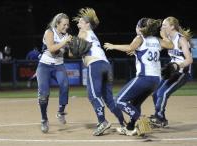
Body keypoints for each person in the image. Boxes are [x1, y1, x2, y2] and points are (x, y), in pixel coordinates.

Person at [104, 18, 174, 136]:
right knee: (135, 104)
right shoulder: (157, 40)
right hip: (156, 80)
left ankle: (141, 119)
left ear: (140, 28)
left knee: (119, 100)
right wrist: (164, 36)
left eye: (137, 26)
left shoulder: (140, 38)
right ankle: (130, 128)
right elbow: (171, 45)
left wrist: (113, 46)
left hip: (144, 77)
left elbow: (130, 47)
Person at [73, 7, 125, 136]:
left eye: (80, 22)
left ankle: (102, 121)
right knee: (109, 99)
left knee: (93, 95)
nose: (78, 24)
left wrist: (70, 45)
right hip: (106, 65)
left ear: (87, 24)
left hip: (95, 65)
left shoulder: (83, 32)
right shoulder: (94, 36)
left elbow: (74, 52)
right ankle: (124, 123)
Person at [151, 16, 193, 127]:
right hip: (172, 71)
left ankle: (158, 117)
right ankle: (162, 118)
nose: (162, 27)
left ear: (172, 26)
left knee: (162, 93)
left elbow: (189, 60)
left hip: (182, 72)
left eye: (164, 25)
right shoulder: (169, 39)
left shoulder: (181, 39)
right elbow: (155, 48)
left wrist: (177, 65)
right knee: (155, 92)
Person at [36, 13, 72, 133]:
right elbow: (51, 48)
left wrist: (75, 47)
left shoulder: (66, 35)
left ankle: (60, 112)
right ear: (57, 23)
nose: (66, 26)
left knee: (65, 85)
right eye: (64, 24)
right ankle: (44, 119)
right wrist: (65, 41)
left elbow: (70, 54)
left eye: (67, 24)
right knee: (44, 94)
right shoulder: (49, 32)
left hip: (59, 65)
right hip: (44, 66)